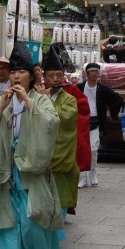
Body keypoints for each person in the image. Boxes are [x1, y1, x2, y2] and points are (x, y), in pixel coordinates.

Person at [0, 41, 64, 249]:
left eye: (21, 72)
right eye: (13, 72)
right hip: (6, 170)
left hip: (31, 170)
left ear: (31, 75)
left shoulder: (41, 100)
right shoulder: (1, 101)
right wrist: (2, 109)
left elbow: (50, 123)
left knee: (31, 219)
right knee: (8, 221)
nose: (16, 76)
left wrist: (28, 101)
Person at [38, 47, 80, 220]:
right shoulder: (37, 96)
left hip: (61, 153)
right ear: (44, 76)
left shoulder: (69, 99)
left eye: (58, 75)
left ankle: (61, 218)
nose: (55, 79)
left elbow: (66, 118)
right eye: (50, 75)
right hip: (41, 151)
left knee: (61, 191)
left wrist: (46, 101)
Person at [78, 62, 125, 187]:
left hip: (96, 121)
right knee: (81, 150)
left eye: (97, 71)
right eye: (92, 71)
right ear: (87, 73)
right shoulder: (79, 87)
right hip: (81, 121)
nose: (94, 73)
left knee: (93, 149)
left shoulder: (103, 88)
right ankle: (83, 176)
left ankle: (93, 172)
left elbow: (115, 97)